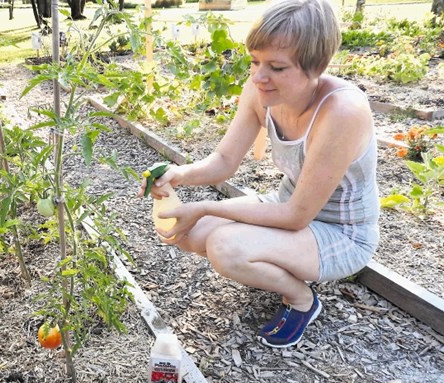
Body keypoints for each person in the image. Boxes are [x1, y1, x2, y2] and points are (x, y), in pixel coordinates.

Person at [139, 0, 379, 348]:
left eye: (277, 67)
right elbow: (223, 160)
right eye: (255, 61)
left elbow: (296, 216)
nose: (258, 76)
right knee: (188, 232)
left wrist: (205, 207)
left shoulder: (343, 111)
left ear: (318, 66)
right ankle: (286, 264)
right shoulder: (261, 90)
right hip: (288, 209)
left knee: (225, 246)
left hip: (342, 233)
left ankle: (302, 299)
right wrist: (177, 175)